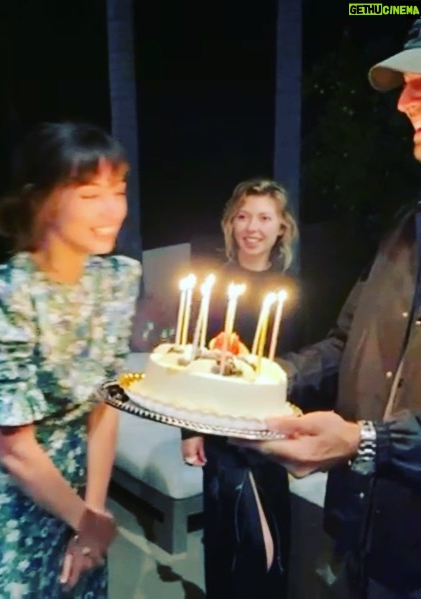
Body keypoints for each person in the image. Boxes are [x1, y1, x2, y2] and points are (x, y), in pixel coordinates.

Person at [242, 18, 421, 599]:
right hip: (360, 534)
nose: (405, 103)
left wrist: (364, 441)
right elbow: (347, 344)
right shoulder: (405, 226)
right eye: (406, 86)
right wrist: (263, 375)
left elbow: (370, 437)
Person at [0, 121, 141, 597]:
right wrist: (86, 521)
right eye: (90, 194)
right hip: (9, 507)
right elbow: (14, 447)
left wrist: (93, 513)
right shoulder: (4, 295)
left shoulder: (115, 281)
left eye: (118, 191)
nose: (112, 210)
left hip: (79, 493)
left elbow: (106, 403)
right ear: (40, 201)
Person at [181, 178, 300, 599]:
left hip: (269, 429)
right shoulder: (211, 286)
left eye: (265, 218)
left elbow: (304, 363)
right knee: (226, 533)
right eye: (243, 216)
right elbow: (189, 362)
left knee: (270, 537)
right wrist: (189, 428)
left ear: (282, 227)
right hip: (219, 430)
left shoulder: (293, 291)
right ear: (230, 224)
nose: (252, 227)